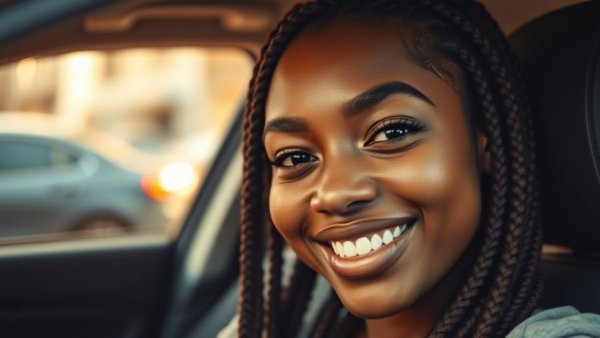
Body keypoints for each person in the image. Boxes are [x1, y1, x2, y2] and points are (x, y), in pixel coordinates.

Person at [230, 0, 600, 337]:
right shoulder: (285, 323)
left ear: (483, 144)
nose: (335, 193)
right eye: (295, 157)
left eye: (392, 132)